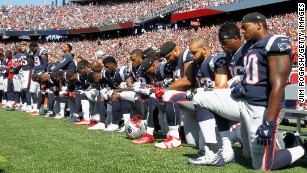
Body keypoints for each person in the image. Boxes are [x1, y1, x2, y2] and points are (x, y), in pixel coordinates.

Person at [190, 12, 307, 170]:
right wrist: (242, 84)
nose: (242, 31)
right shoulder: (251, 47)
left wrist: (269, 122)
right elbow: (255, 76)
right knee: (200, 97)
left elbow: (278, 85)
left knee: (263, 165)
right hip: (244, 102)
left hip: (261, 108)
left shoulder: (274, 42)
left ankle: (303, 148)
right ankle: (214, 152)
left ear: (258, 25)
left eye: (245, 27)